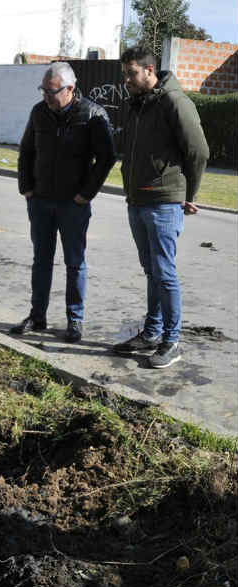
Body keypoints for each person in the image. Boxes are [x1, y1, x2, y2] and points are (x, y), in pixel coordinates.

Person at [112, 46, 209, 368]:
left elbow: (198, 151)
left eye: (131, 73)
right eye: (125, 74)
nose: (126, 80)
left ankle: (172, 341)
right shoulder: (138, 104)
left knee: (164, 273)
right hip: (137, 200)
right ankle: (152, 334)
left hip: (164, 201)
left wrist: (190, 193)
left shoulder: (174, 102)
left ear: (149, 71)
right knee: (151, 271)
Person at [12, 61, 116, 343]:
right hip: (41, 201)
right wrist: (27, 188)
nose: (46, 96)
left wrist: (86, 194)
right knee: (41, 261)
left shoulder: (92, 114)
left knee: (75, 262)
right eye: (43, 90)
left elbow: (107, 157)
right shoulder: (39, 112)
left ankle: (75, 320)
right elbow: (26, 152)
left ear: (69, 89)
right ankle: (37, 316)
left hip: (73, 204)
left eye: (52, 91)